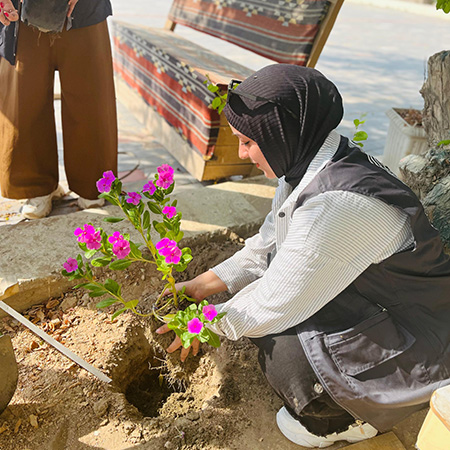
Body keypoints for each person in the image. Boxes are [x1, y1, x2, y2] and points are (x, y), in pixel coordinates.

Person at [156, 64, 450, 448]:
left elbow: (274, 301)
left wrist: (200, 326)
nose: (244, 155)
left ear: (283, 134)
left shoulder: (334, 205)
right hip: (392, 304)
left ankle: (351, 419)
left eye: (248, 142)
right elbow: (267, 247)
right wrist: (201, 286)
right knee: (275, 330)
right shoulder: (313, 163)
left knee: (288, 363)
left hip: (424, 344)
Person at [0, 0, 117, 219]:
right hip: (21, 13)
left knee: (91, 99)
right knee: (25, 102)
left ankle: (93, 184)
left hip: (86, 10)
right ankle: (37, 188)